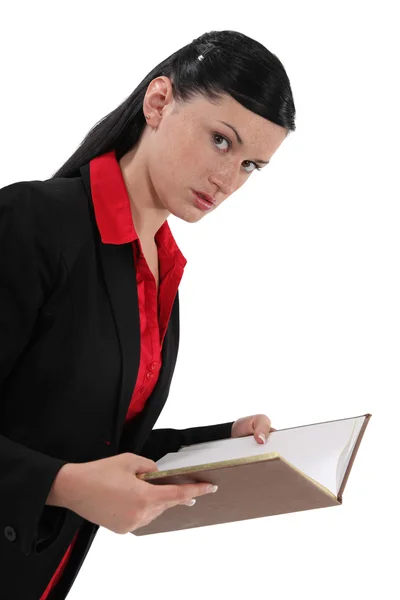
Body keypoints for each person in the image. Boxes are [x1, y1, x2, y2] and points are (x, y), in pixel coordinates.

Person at [0, 29, 295, 599]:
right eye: (221, 141)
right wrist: (63, 485)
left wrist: (220, 446)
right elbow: (71, 471)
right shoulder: (31, 222)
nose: (229, 179)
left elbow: (86, 437)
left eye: (252, 166)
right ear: (158, 102)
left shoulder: (161, 273)